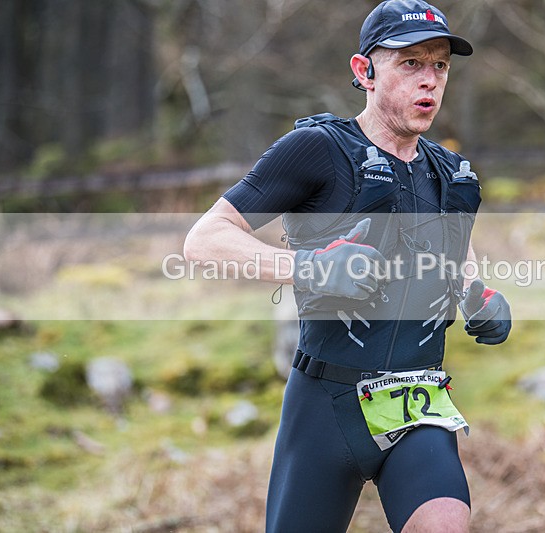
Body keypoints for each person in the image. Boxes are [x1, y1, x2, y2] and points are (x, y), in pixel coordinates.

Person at [184, 1, 511, 531]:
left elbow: (459, 257)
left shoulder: (451, 172)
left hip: (417, 403)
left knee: (446, 523)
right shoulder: (316, 150)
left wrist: (480, 296)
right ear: (364, 71)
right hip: (326, 409)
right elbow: (205, 240)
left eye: (440, 65)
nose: (429, 80)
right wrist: (310, 267)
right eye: (410, 63)